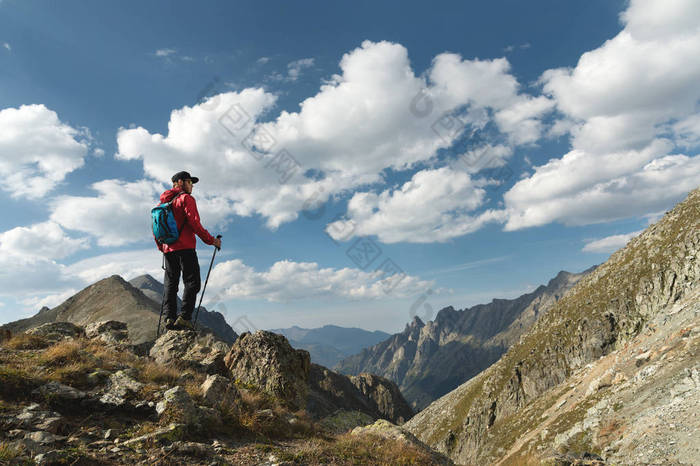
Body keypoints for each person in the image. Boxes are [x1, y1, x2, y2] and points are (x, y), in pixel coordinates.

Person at [156, 171, 222, 331]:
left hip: (168, 249)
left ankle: (169, 318)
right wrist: (211, 240)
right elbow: (194, 223)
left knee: (170, 284)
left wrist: (163, 248)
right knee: (192, 282)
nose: (192, 186)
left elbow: (155, 229)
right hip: (186, 248)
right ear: (179, 182)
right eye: (189, 182)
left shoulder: (160, 205)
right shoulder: (186, 199)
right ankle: (185, 318)